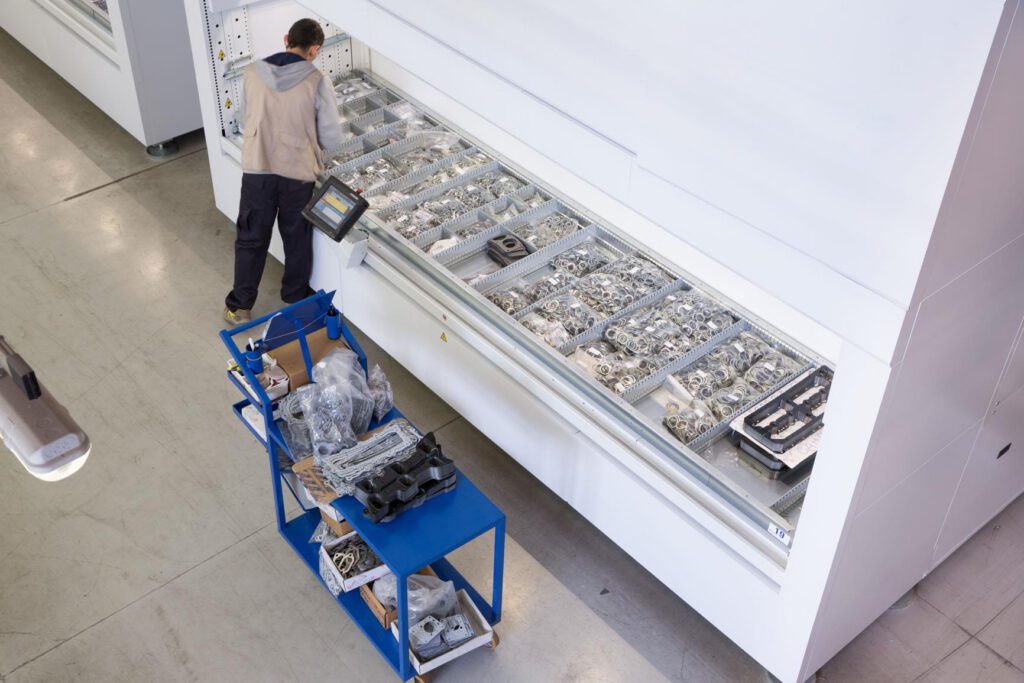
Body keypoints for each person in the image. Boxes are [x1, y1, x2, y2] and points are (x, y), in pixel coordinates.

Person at [223, 18, 343, 325]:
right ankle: (295, 303)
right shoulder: (318, 81)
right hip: (297, 175)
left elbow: (242, 116)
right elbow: (331, 137)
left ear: (286, 38)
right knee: (296, 240)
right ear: (314, 50)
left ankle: (240, 307)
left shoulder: (252, 72)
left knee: (251, 237)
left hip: (257, 170)